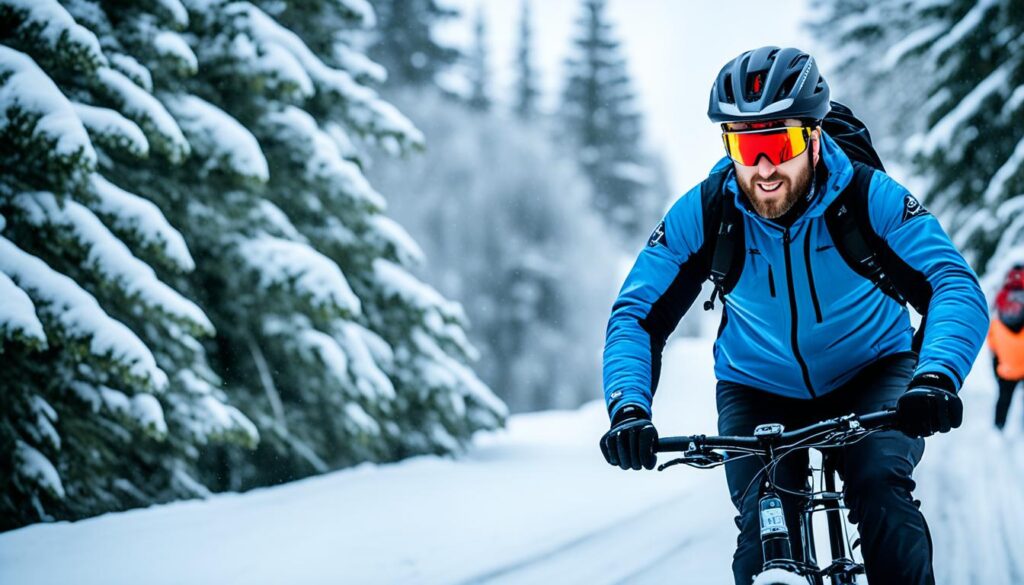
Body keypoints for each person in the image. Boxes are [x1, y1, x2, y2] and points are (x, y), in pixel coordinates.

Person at [598, 46, 988, 585]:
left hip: (873, 370)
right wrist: (628, 409)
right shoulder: (708, 211)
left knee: (880, 491)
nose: (762, 167)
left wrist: (936, 376)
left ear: (814, 135)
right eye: (744, 144)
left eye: (778, 142)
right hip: (757, 383)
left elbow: (953, 284)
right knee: (763, 533)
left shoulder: (866, 197)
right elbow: (637, 315)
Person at [989, 264, 1024, 430]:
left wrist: (996, 368)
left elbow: (993, 345)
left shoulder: (1002, 298)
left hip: (1006, 366)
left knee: (1004, 397)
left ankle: (998, 427)